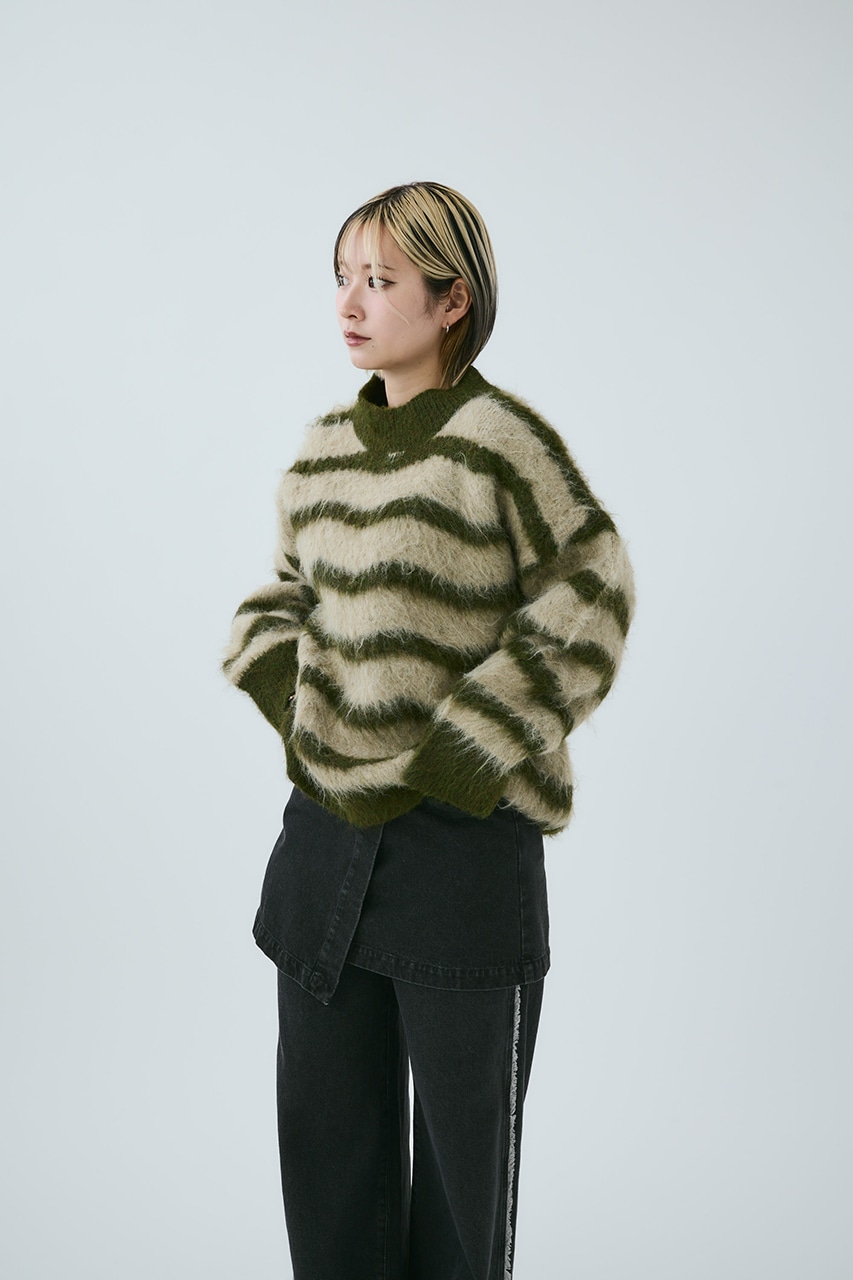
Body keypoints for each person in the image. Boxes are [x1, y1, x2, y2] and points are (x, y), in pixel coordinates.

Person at [223, 181, 634, 1280]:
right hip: (322, 858)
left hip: (460, 856)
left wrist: (472, 744)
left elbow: (592, 586)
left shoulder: (502, 445)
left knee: (462, 1193)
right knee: (328, 1167)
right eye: (343, 277)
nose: (351, 303)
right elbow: (274, 604)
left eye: (381, 279)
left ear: (453, 300)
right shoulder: (321, 452)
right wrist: (304, 713)